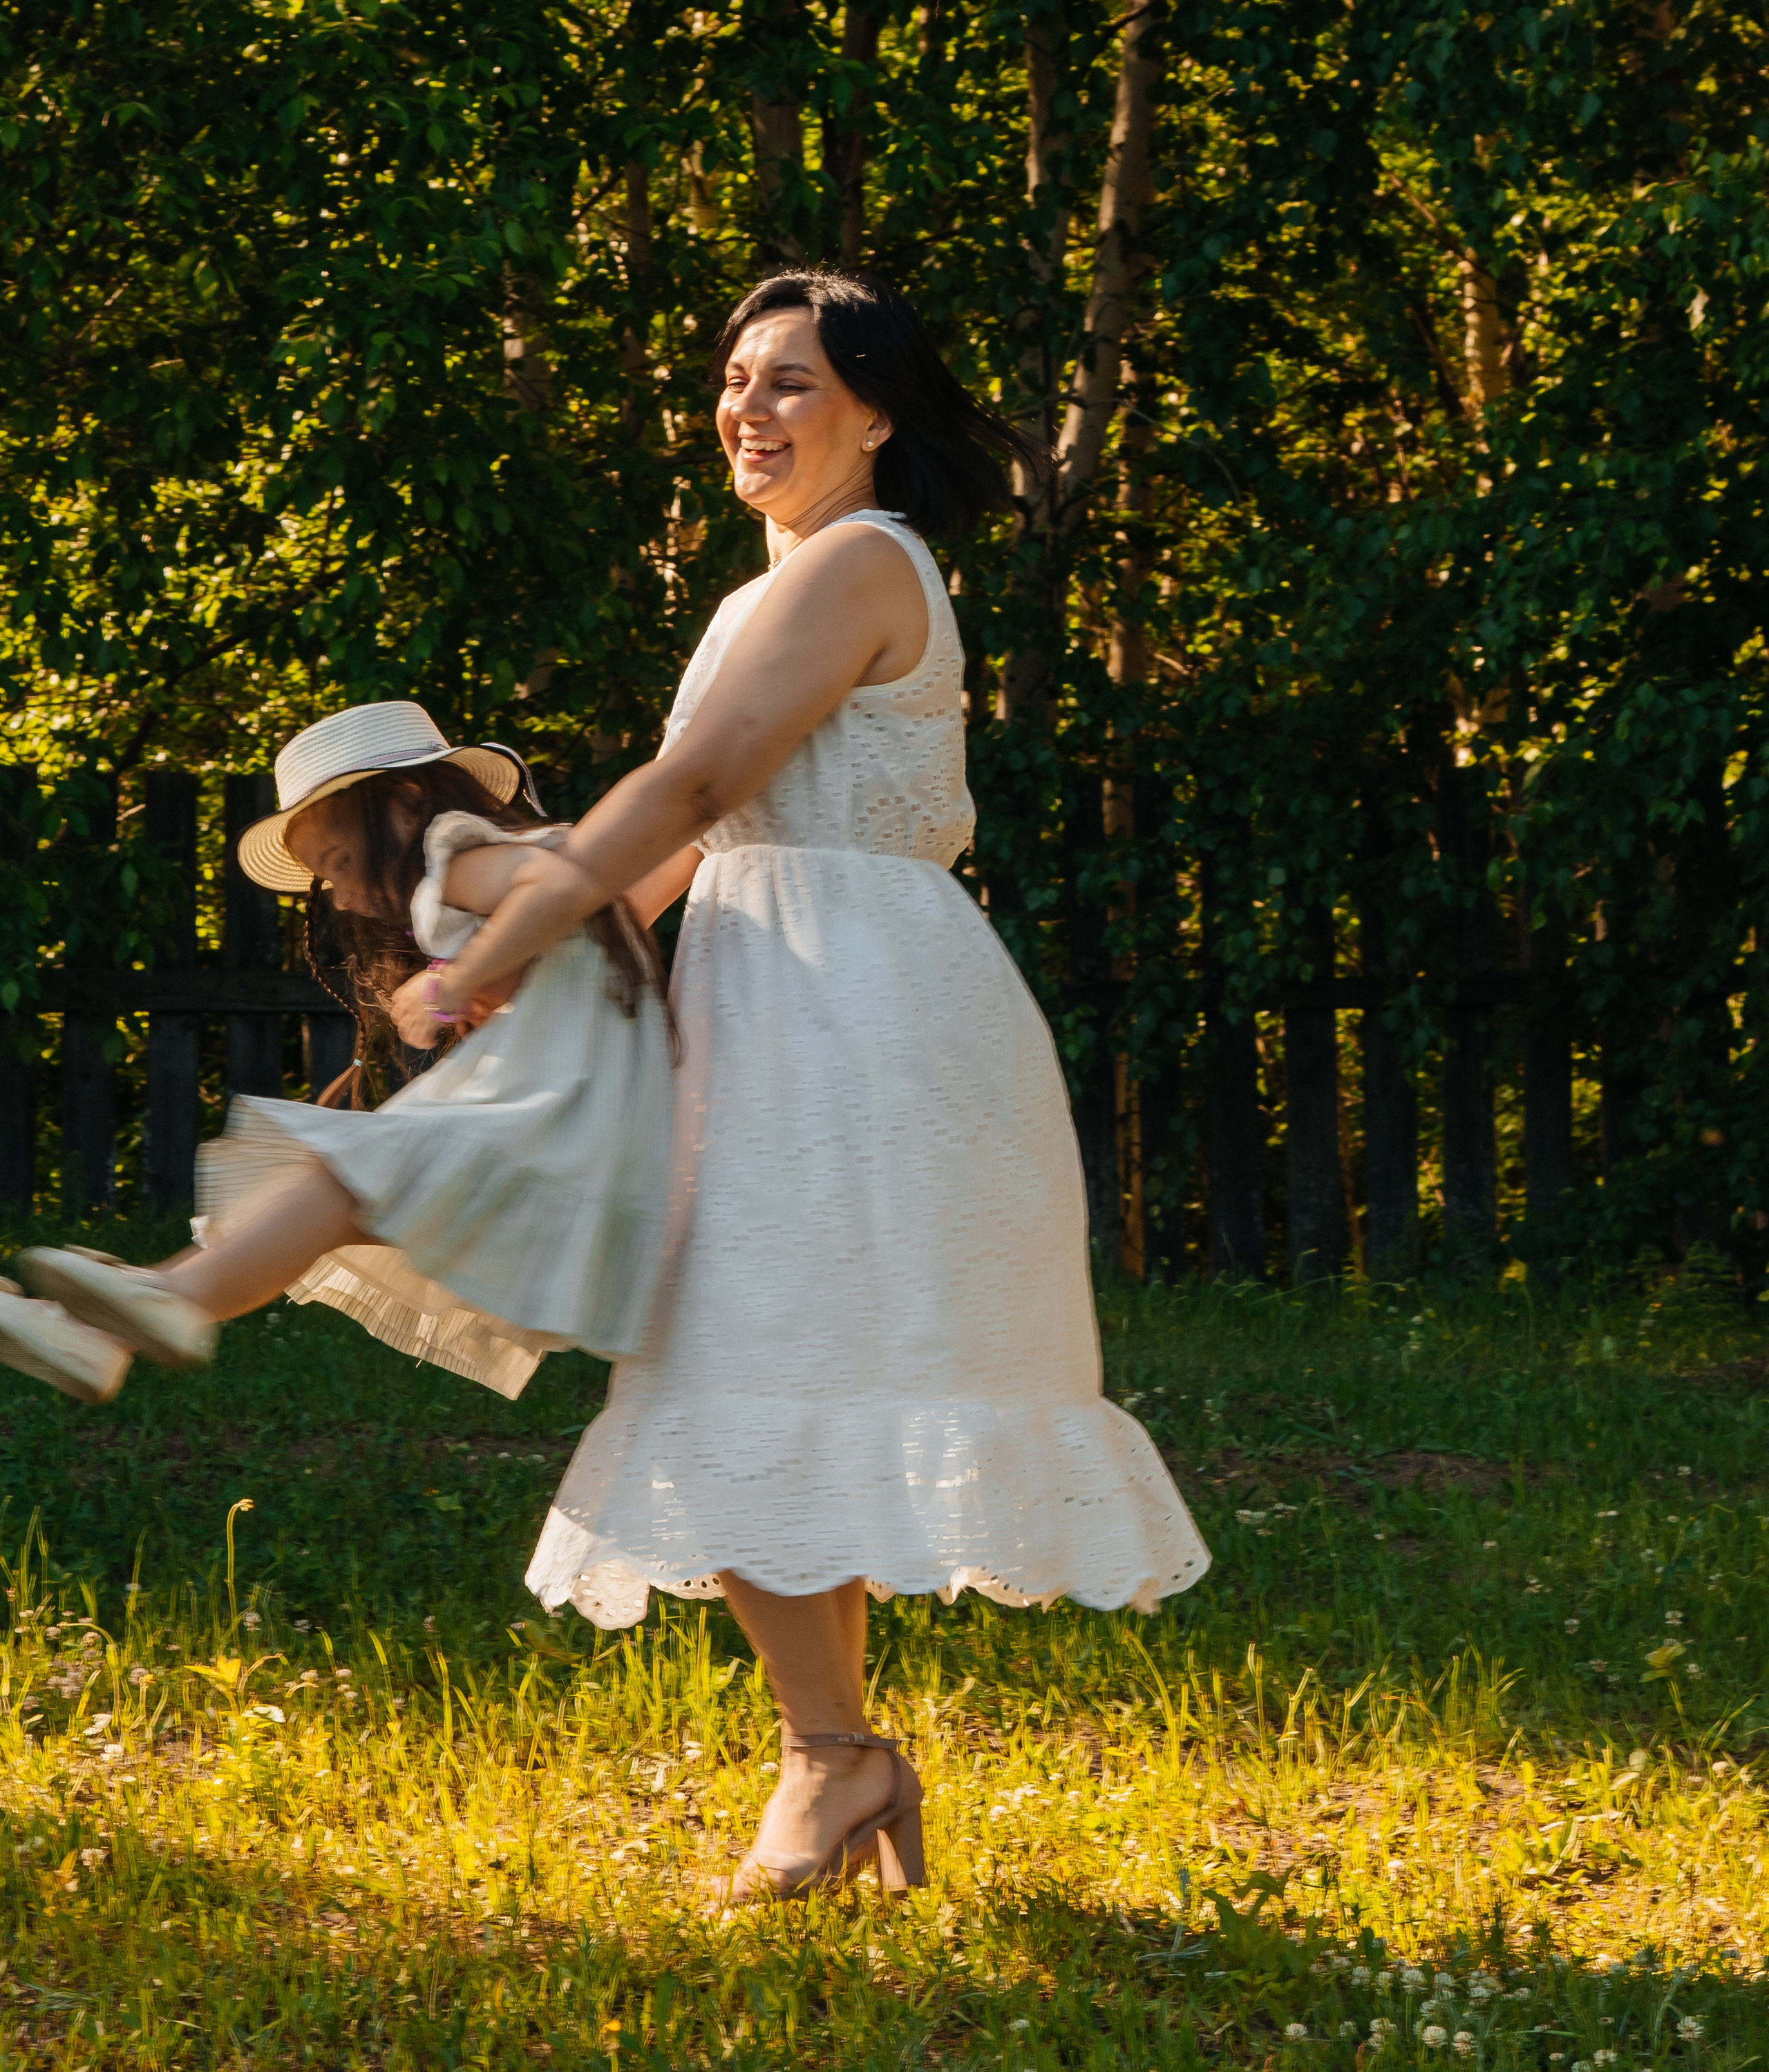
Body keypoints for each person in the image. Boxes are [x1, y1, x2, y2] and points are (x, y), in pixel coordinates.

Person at [384, 268, 1211, 1901]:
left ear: (876, 416)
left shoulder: (856, 560)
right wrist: (464, 894)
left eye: (792, 385)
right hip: (773, 989)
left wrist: (487, 932)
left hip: (860, 1013)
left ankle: (830, 1761)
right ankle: (837, 1762)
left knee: (753, 1359)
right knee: (772, 1366)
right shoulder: (760, 594)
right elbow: (673, 849)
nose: (747, 410)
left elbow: (691, 781)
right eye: (734, 379)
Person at [0, 705, 675, 1405]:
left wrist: (453, 981)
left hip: (554, 1120)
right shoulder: (499, 869)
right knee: (308, 1193)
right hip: (581, 1129)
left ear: (408, 805)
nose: (345, 896)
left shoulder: (459, 856)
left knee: (339, 1183)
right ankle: (101, 1332)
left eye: (343, 864)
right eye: (329, 879)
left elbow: (555, 886)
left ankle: (167, 1299)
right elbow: (604, 896)